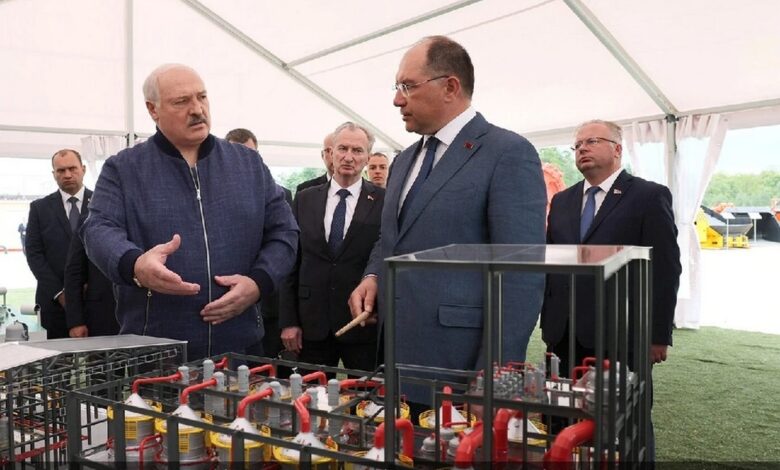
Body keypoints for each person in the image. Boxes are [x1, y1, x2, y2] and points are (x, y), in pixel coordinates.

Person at [348, 36, 547, 399]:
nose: (397, 100)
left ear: (450, 87)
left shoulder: (508, 153)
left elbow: (520, 274)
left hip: (460, 365)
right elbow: (392, 236)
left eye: (408, 86)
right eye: (397, 88)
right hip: (395, 356)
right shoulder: (403, 160)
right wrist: (373, 275)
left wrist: (495, 376)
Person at [81, 64, 298, 360]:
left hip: (240, 347)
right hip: (157, 351)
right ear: (153, 109)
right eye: (181, 101)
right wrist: (135, 265)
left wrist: (259, 282)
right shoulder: (124, 169)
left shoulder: (248, 164)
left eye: (202, 97)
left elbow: (284, 231)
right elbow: (98, 229)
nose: (197, 109)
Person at [541, 119, 681, 460]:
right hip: (562, 334)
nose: (582, 149)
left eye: (592, 141)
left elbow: (665, 269)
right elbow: (551, 263)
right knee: (563, 417)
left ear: (617, 149)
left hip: (621, 333)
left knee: (625, 424)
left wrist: (658, 334)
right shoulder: (563, 200)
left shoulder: (648, 196)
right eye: (577, 145)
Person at [279, 122, 384, 372]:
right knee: (311, 393)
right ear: (331, 152)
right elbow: (291, 261)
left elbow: (385, 255)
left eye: (357, 150)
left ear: (367, 157)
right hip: (311, 326)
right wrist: (288, 321)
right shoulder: (304, 198)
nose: (348, 157)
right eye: (342, 148)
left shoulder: (384, 201)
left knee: (365, 394)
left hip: (361, 323)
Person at [225, 127, 292, 359]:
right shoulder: (211, 194)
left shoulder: (279, 194)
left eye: (250, 154)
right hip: (228, 300)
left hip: (268, 297)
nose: (245, 160)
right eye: (238, 153)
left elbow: (285, 241)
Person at [25, 149, 90, 339]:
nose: (67, 175)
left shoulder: (102, 203)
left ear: (83, 169)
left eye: (72, 168)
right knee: (57, 357)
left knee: (101, 356)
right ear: (54, 174)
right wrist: (60, 293)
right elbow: (34, 255)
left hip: (95, 302)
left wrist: (93, 287)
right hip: (54, 305)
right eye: (61, 170)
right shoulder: (39, 208)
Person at [63, 213, 120, 338]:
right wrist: (76, 322)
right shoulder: (89, 220)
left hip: (145, 315)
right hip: (101, 317)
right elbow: (74, 273)